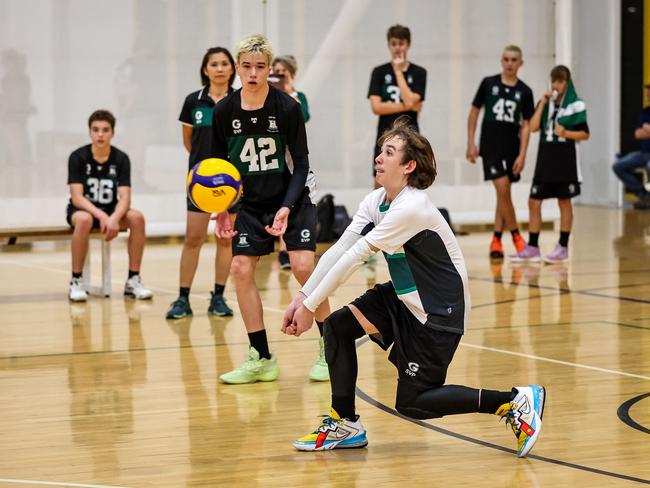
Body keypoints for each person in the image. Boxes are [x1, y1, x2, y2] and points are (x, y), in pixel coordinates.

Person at [282, 117, 545, 457]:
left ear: (408, 166)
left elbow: (356, 257)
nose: (379, 157)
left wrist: (307, 307)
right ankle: (345, 423)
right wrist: (303, 298)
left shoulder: (412, 207)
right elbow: (339, 249)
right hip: (405, 297)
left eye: (389, 152)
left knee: (414, 403)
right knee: (337, 326)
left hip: (439, 312)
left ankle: (514, 401)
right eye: (380, 151)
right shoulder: (377, 200)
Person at [211, 34, 330, 383]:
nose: (252, 73)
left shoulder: (287, 108)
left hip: (292, 199)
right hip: (250, 204)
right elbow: (220, 168)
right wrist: (222, 209)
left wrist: (286, 208)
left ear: (269, 69)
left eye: (260, 67)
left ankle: (329, 349)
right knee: (240, 268)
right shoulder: (224, 111)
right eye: (246, 66)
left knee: (304, 266)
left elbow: (303, 163)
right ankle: (261, 356)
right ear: (236, 68)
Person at [166, 47, 237, 319]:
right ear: (205, 70)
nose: (219, 68)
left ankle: (218, 297)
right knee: (193, 238)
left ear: (232, 69)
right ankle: (183, 299)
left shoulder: (239, 100)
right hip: (199, 185)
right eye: (213, 64)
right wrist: (203, 171)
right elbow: (189, 141)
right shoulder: (192, 102)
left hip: (231, 185)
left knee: (224, 240)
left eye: (224, 64)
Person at [66, 109, 153, 302]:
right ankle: (76, 280)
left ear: (112, 133)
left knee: (137, 218)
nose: (100, 134)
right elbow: (77, 197)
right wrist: (103, 217)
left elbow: (125, 197)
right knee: (84, 219)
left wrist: (113, 218)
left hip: (111, 212)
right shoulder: (77, 157)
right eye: (96, 130)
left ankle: (133, 279)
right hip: (84, 211)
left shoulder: (121, 159)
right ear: (89, 132)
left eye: (105, 130)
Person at [511, 65, 590, 263]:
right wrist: (543, 102)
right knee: (534, 201)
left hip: (565, 157)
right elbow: (535, 126)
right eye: (554, 80)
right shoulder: (546, 102)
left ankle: (563, 246)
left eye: (561, 81)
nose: (557, 84)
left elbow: (585, 133)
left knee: (564, 201)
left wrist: (566, 133)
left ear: (567, 82)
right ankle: (533, 246)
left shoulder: (577, 104)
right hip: (546, 157)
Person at [466, 45, 534, 259]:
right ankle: (516, 237)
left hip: (511, 150)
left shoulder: (525, 91)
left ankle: (496, 240)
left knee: (503, 195)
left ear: (520, 63)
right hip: (490, 147)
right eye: (506, 59)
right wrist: (471, 142)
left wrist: (522, 155)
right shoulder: (488, 84)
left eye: (514, 60)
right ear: (501, 61)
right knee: (502, 188)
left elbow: (526, 126)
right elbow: (474, 113)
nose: (509, 63)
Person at [368, 24, 426, 189]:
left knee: (411, 183)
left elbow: (415, 104)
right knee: (380, 185)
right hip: (385, 135)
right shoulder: (379, 72)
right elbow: (377, 107)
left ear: (408, 44)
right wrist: (407, 105)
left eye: (401, 43)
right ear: (389, 45)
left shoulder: (419, 73)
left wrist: (399, 72)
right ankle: (380, 216)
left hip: (410, 137)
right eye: (393, 44)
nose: (397, 48)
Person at [271, 54, 310, 270]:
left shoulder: (298, 96)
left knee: (293, 199)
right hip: (273, 153)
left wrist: (288, 93)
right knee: (279, 200)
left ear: (291, 75)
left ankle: (293, 245)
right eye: (274, 72)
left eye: (282, 73)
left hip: (292, 154)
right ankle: (282, 249)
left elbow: (303, 116)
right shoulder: (269, 96)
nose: (278, 77)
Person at [612, 83, 650, 210]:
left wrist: (647, 128)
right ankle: (644, 195)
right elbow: (637, 134)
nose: (648, 96)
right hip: (643, 153)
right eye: (647, 94)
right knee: (618, 166)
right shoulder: (645, 112)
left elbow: (643, 130)